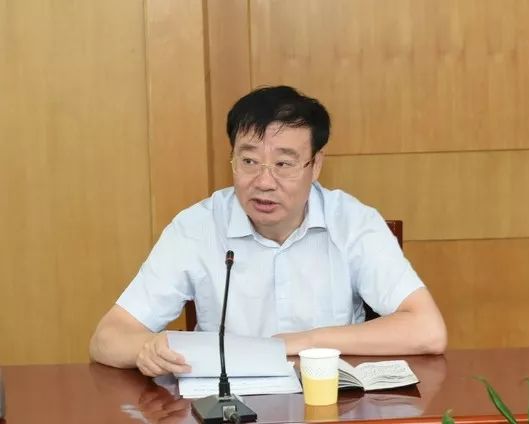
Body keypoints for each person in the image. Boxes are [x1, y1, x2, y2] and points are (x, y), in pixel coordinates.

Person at [89, 86, 447, 377]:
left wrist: (303, 342)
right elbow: (107, 337)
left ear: (315, 165)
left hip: (329, 404)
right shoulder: (196, 227)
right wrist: (146, 349)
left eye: (283, 164)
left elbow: (427, 330)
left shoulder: (353, 222)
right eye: (248, 161)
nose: (263, 182)